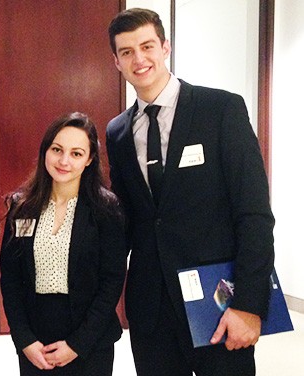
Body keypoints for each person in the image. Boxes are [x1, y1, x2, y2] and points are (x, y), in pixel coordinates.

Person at [105, 8, 275, 376]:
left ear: (165, 48)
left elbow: (254, 213)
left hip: (220, 303)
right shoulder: (117, 131)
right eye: (127, 51)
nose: (139, 58)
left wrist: (250, 304)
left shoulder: (220, 109)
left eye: (147, 46)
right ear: (116, 62)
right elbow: (129, 221)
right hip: (151, 309)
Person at [0, 112, 127, 375]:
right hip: (36, 343)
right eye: (57, 149)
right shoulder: (22, 207)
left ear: (89, 159)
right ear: (45, 150)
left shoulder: (106, 209)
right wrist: (24, 340)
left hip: (89, 341)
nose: (64, 161)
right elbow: (10, 280)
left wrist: (77, 344)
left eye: (77, 153)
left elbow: (112, 280)